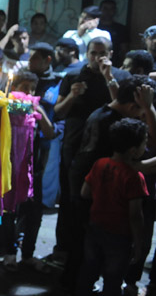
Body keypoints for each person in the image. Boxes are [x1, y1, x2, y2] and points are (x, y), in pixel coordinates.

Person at [53, 36, 131, 275]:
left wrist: (109, 78)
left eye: (102, 53)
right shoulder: (73, 76)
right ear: (86, 54)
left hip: (106, 148)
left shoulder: (121, 77)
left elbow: (124, 108)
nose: (97, 58)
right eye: (93, 53)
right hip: (75, 145)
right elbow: (58, 112)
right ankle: (64, 249)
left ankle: (93, 254)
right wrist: (72, 96)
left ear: (111, 54)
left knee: (101, 201)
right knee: (70, 199)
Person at [77, 118, 149, 296]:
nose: (146, 146)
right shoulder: (134, 177)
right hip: (119, 236)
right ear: (133, 150)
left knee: (89, 269)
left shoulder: (100, 164)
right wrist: (139, 243)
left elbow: (85, 192)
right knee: (113, 278)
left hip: (95, 227)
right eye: (144, 142)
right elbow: (135, 215)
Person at [2, 44, 61, 272]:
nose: (28, 92)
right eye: (24, 88)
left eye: (32, 89)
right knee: (10, 211)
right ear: (14, 88)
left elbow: (50, 132)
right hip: (9, 168)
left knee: (34, 213)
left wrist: (40, 111)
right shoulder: (5, 109)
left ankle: (28, 254)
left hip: (33, 168)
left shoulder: (36, 110)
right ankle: (9, 253)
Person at [98, 0, 129, 66]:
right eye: (105, 8)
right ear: (100, 10)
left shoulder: (121, 29)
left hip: (115, 63)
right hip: (95, 61)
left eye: (111, 9)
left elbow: (124, 49)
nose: (108, 12)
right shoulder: (95, 27)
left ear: (115, 11)